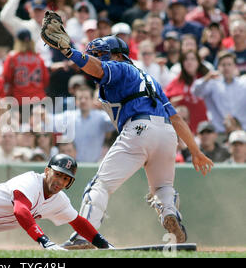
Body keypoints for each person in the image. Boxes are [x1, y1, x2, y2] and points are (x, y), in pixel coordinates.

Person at [40, 20, 213, 247]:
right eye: (96, 54)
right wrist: (195, 150)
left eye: (102, 53)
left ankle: (84, 236)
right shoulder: (150, 80)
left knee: (99, 186)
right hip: (167, 134)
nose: (99, 58)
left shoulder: (120, 67)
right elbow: (177, 118)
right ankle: (170, 213)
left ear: (119, 55)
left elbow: (98, 67)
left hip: (139, 129)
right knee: (162, 188)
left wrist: (68, 51)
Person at [191, 51, 246, 133]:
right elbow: (195, 92)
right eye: (223, 65)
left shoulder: (243, 84)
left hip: (241, 131)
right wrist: (206, 78)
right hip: (219, 132)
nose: (226, 68)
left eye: (229, 64)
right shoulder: (213, 84)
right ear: (219, 67)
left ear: (235, 67)